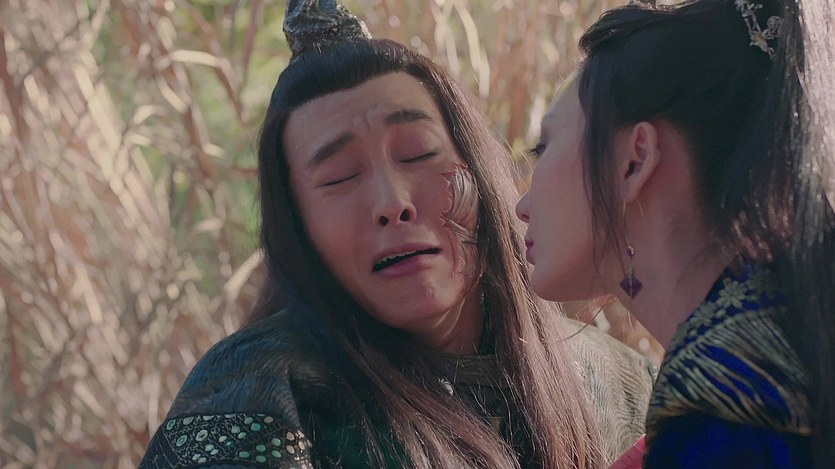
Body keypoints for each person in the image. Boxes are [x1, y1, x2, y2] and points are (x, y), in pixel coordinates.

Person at [139, 1, 655, 468]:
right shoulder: (260, 395)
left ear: (480, 171)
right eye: (339, 178)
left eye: (418, 153)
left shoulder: (625, 385)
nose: (392, 203)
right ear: (299, 230)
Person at [516, 0, 835, 466]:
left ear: (634, 161)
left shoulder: (722, 403)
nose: (521, 206)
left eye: (543, 147)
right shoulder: (787, 332)